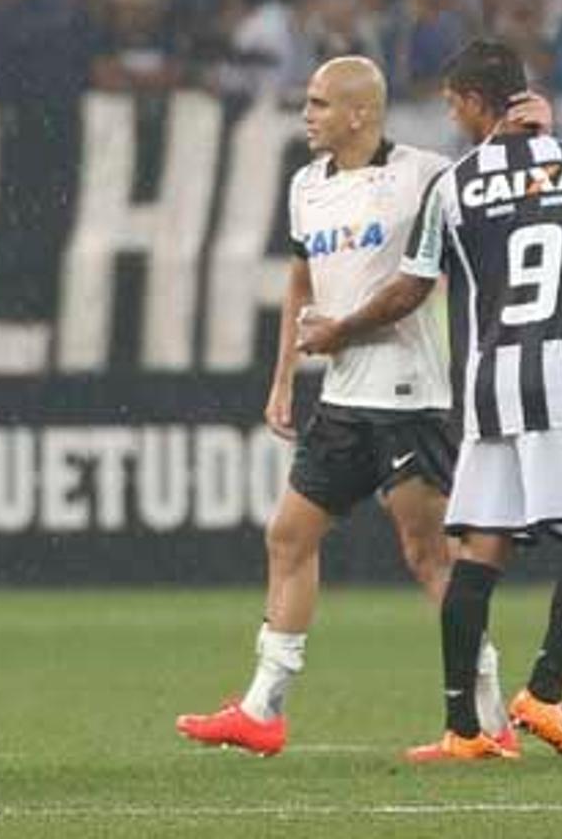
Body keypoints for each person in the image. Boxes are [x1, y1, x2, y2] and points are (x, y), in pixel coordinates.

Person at [299, 39, 562, 764]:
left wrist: (340, 327)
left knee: (480, 546)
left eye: (454, 105)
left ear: (479, 102)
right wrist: (543, 145)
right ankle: (544, 690)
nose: (450, 117)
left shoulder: (453, 186)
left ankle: (463, 727)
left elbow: (412, 286)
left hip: (486, 383)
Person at [176, 57, 518, 758]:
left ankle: (491, 718)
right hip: (341, 398)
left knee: (429, 556)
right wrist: (282, 379)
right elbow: (301, 285)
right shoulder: (306, 186)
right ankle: (262, 709)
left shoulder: (424, 174)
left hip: (408, 397)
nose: (308, 113)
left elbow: (420, 283)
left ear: (362, 112)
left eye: (321, 102)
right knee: (288, 535)